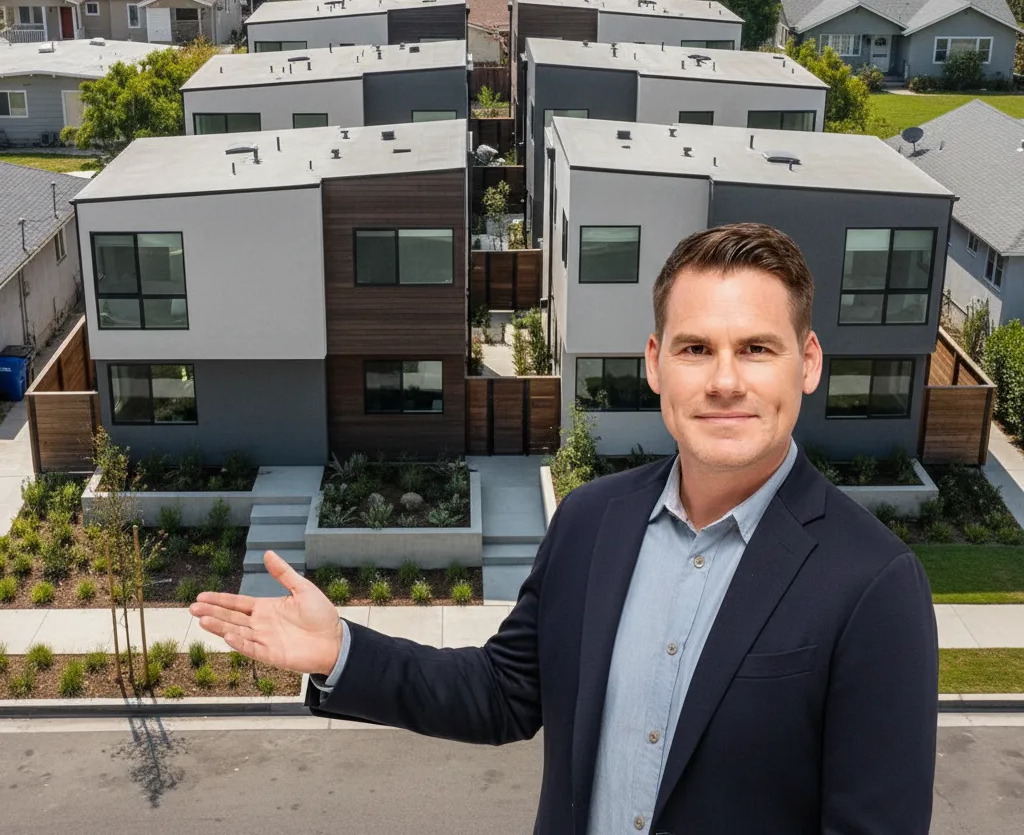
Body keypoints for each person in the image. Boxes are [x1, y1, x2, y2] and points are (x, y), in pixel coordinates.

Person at [191, 221, 938, 835]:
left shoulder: (873, 586)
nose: (723, 381)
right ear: (656, 364)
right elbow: (503, 692)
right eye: (695, 348)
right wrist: (341, 652)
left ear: (807, 363)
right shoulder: (590, 520)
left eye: (756, 348)